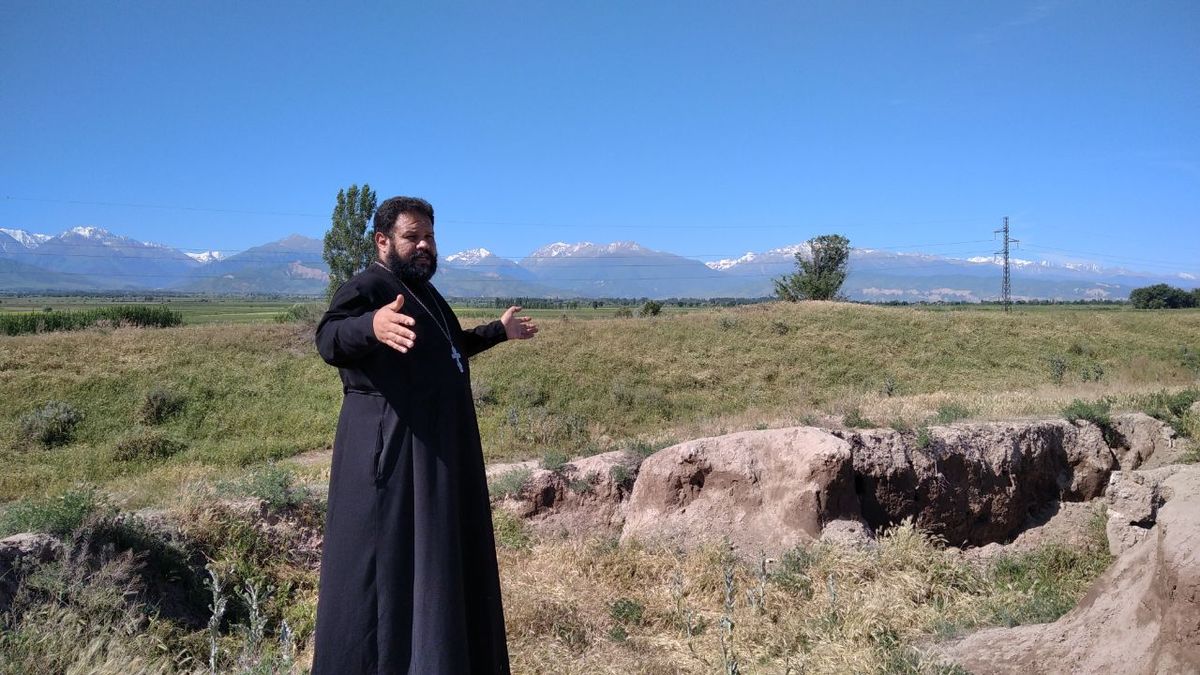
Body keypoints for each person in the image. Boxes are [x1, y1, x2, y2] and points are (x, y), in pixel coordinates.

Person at [311, 195, 537, 674]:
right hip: (394, 455)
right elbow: (329, 338)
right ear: (382, 240)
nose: (424, 246)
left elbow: (449, 350)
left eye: (430, 237)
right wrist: (371, 325)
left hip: (438, 451)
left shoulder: (426, 294)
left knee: (436, 566)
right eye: (412, 237)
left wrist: (498, 331)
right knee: (391, 574)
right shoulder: (369, 286)